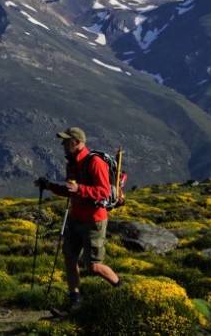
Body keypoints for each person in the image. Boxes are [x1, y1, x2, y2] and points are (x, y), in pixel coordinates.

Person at [35, 126, 120, 310]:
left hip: (94, 220)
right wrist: (49, 186)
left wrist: (79, 189)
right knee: (69, 257)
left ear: (77, 142)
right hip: (76, 218)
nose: (63, 144)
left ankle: (122, 288)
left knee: (94, 266)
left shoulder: (94, 162)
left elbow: (104, 191)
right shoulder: (72, 163)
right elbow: (70, 190)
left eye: (66, 141)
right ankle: (75, 300)